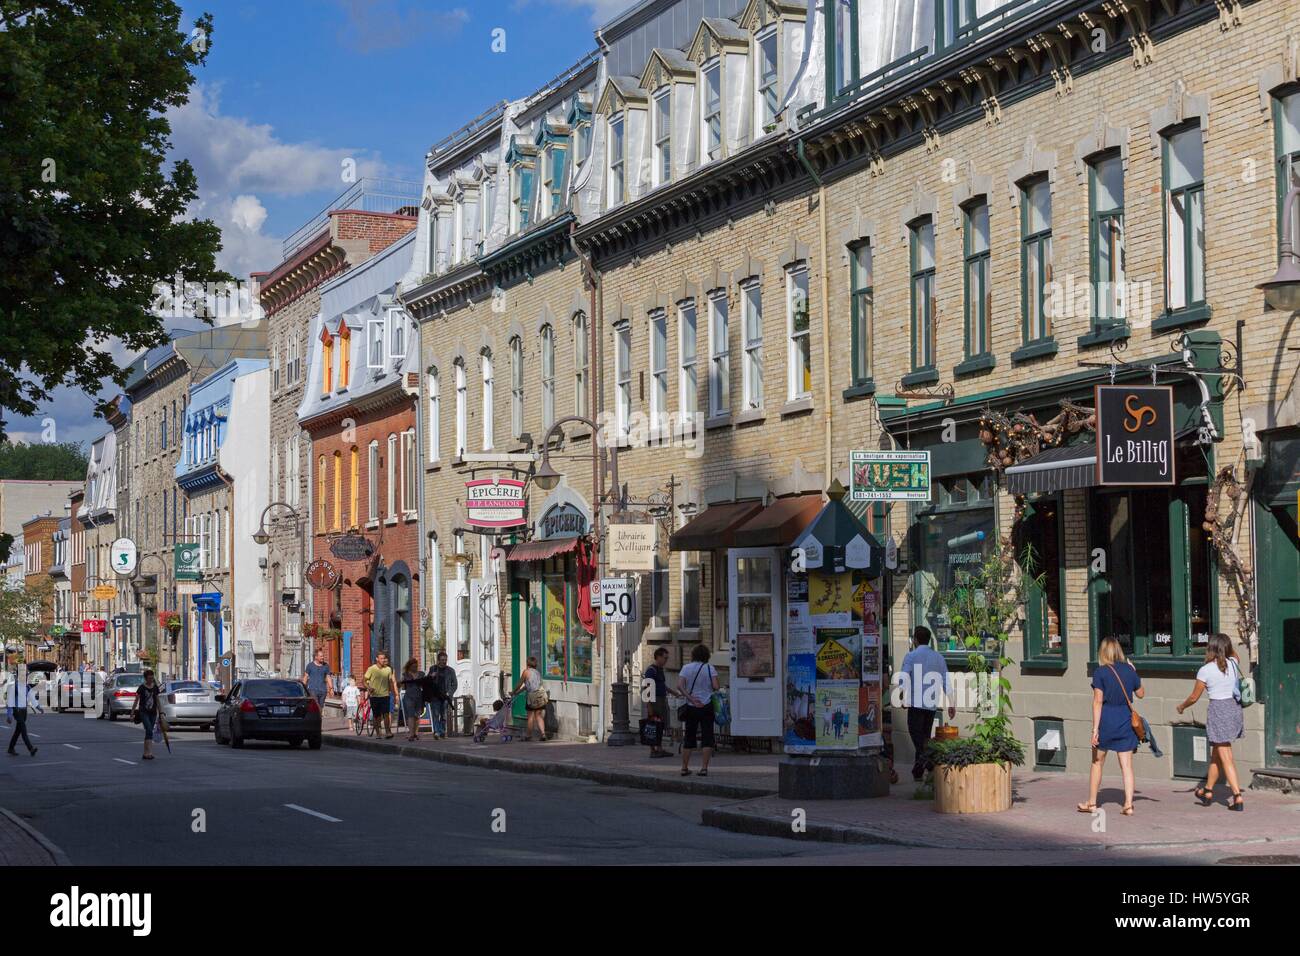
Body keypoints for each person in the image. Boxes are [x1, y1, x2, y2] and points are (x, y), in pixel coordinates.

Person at [1177, 633, 1246, 811]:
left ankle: (1237, 797)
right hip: (1234, 709)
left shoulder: (1206, 670)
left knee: (1226, 756)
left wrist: (1182, 707)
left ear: (1210, 648)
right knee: (1216, 754)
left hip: (1219, 711)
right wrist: (1229, 647)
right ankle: (1207, 791)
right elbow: (1235, 655)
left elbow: (1194, 697)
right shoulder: (1233, 663)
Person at [1078, 637, 1144, 816]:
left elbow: (1097, 702)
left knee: (1097, 763)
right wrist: (1135, 672)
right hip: (1125, 720)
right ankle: (1128, 804)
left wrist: (1095, 730)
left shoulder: (1100, 672)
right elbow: (1141, 694)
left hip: (1107, 721)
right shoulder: (1129, 670)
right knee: (1127, 766)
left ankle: (1092, 803)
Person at [898, 626, 955, 780]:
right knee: (924, 736)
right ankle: (918, 772)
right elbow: (946, 682)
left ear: (915, 639)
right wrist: (951, 703)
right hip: (931, 704)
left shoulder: (911, 656)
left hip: (916, 703)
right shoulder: (939, 657)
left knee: (917, 735)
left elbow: (904, 678)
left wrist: (902, 696)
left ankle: (930, 762)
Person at [677, 644, 719, 777]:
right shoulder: (709, 668)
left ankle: (684, 768)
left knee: (689, 736)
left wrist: (690, 697)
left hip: (691, 705)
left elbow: (679, 685)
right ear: (706, 655)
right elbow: (716, 686)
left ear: (693, 655)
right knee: (707, 736)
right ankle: (704, 768)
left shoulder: (686, 668)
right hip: (706, 705)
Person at [642, 646, 680, 758]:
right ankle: (653, 750)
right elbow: (647, 687)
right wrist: (649, 705)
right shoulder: (651, 670)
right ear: (658, 657)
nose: (666, 660)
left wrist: (674, 693)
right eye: (664, 658)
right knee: (653, 725)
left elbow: (662, 685)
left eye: (667, 658)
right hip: (654, 700)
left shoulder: (660, 670)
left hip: (661, 699)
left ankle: (659, 748)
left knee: (659, 725)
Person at [511, 656, 548, 742]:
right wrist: (518, 692)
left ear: (528, 664)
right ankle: (543, 734)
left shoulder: (526, 672)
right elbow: (527, 685)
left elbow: (520, 684)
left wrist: (513, 691)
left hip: (532, 697)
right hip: (540, 695)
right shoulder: (537, 672)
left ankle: (528, 735)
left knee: (530, 716)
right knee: (539, 716)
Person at [131, 669, 163, 761]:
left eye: (152, 678)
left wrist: (161, 712)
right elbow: (136, 700)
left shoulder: (155, 687)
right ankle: (149, 752)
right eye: (149, 678)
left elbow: (157, 700)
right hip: (143, 712)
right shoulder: (141, 688)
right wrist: (132, 713)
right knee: (149, 729)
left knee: (149, 732)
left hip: (153, 712)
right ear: (145, 678)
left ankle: (146, 753)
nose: (151, 680)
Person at [364, 652, 397, 739]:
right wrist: (369, 687)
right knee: (377, 715)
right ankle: (378, 733)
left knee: (386, 714)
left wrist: (392, 693)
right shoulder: (371, 669)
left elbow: (390, 682)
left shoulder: (388, 669)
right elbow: (364, 680)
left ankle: (388, 732)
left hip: (385, 695)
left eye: (384, 658)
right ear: (377, 659)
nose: (383, 660)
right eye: (381, 658)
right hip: (374, 696)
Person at [6, 678, 40, 757]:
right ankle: (31, 749)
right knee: (23, 730)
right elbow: (10, 700)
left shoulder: (27, 687)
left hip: (24, 712)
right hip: (17, 711)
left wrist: (38, 707)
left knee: (18, 731)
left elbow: (32, 698)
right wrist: (9, 714)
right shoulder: (14, 687)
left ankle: (11, 748)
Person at [426, 651, 457, 739]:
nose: (444, 661)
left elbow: (454, 684)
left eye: (445, 660)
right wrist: (431, 676)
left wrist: (449, 693)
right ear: (438, 660)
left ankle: (442, 731)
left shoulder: (450, 670)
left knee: (443, 715)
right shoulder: (433, 669)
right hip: (435, 696)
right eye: (442, 660)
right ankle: (437, 732)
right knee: (435, 714)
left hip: (445, 697)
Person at [399, 659, 425, 742]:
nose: (415, 668)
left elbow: (425, 685)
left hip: (418, 696)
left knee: (417, 715)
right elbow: (402, 686)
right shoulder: (405, 675)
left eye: (416, 666)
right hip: (409, 696)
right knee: (410, 715)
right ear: (409, 666)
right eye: (413, 666)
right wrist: (400, 683)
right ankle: (411, 734)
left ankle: (415, 733)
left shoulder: (421, 674)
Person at [302, 649, 332, 713]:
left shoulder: (326, 666)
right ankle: (315, 718)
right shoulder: (310, 665)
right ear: (316, 657)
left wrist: (331, 688)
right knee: (316, 705)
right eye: (321, 656)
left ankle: (318, 719)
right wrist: (303, 688)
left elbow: (328, 677)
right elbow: (305, 677)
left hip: (323, 690)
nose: (322, 657)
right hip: (312, 689)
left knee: (321, 707)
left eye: (323, 656)